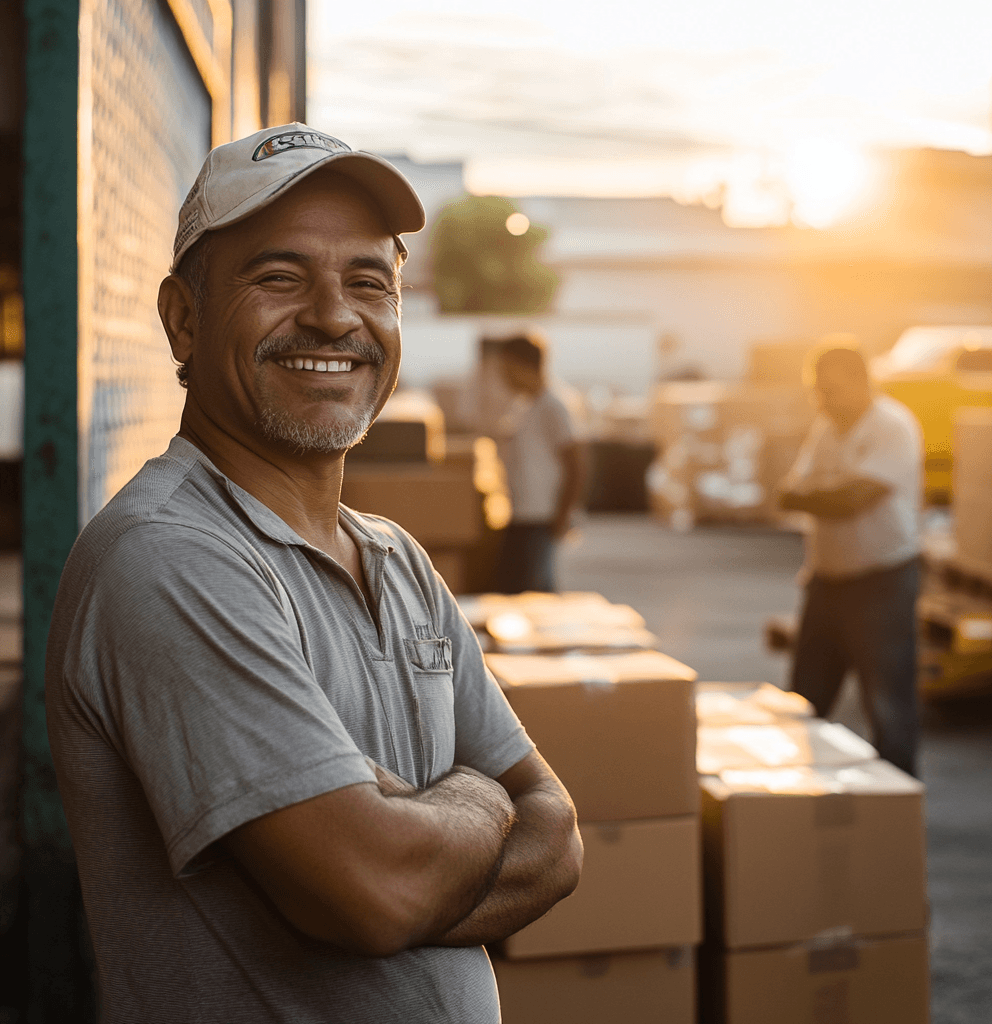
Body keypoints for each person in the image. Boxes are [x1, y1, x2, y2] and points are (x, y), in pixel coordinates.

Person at [45, 124, 583, 1023]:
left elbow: (559, 836)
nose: (336, 317)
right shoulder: (169, 558)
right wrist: (479, 799)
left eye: (370, 282)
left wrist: (420, 841)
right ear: (184, 317)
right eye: (280, 277)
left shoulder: (398, 560)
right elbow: (372, 890)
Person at [779, 344, 923, 777]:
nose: (823, 401)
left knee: (887, 700)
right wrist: (831, 494)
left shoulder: (892, 426)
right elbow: (788, 492)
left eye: (833, 390)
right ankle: (801, 796)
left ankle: (896, 799)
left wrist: (823, 495)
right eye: (817, 392)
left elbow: (855, 499)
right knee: (805, 697)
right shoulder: (826, 426)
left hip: (882, 580)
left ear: (862, 382)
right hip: (827, 581)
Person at [492, 332, 586, 593]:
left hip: (542, 518)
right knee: (517, 590)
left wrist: (563, 514)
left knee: (535, 593)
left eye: (507, 369)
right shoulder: (525, 406)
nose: (504, 377)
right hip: (520, 514)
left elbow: (576, 464)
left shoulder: (555, 405)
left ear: (525, 366)